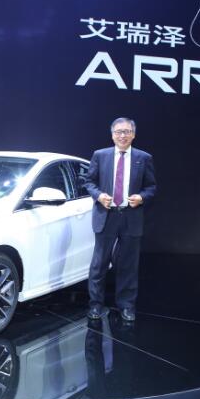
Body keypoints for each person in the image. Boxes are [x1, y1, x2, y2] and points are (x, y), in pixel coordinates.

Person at [84, 117, 156, 322]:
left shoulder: (144, 158)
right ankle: (95, 305)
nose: (122, 135)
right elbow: (89, 181)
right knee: (99, 264)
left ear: (133, 134)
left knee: (128, 265)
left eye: (126, 131)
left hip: (131, 216)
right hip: (106, 215)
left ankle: (126, 306)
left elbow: (151, 187)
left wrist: (142, 197)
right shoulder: (100, 155)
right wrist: (99, 195)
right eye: (118, 132)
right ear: (112, 134)